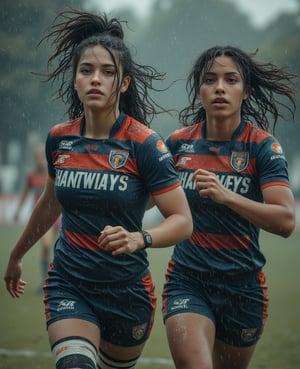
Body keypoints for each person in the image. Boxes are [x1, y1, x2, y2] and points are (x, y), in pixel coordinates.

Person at [4, 9, 193, 369]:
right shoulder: (59, 139)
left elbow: (183, 220)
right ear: (75, 79)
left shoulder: (145, 144)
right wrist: (16, 255)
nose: (95, 79)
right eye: (86, 71)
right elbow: (49, 205)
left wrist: (141, 239)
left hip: (128, 294)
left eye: (108, 72)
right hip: (69, 283)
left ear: (123, 84)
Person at [162, 45, 297, 369]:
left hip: (243, 287)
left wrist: (228, 196)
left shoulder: (263, 146)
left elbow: (285, 221)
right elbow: (146, 199)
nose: (220, 87)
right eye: (210, 80)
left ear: (246, 90)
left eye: (231, 79)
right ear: (199, 90)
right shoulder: (178, 144)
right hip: (188, 279)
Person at [13, 143, 60, 290]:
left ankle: (54, 280)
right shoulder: (31, 176)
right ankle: (46, 280)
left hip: (57, 216)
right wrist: (18, 211)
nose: (40, 160)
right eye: (37, 158)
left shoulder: (52, 174)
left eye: (42, 157)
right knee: (46, 247)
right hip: (42, 217)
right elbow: (25, 194)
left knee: (57, 248)